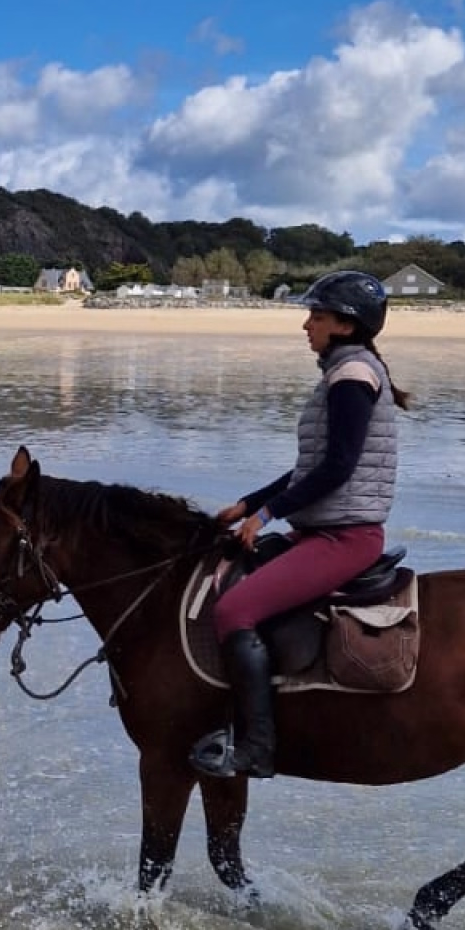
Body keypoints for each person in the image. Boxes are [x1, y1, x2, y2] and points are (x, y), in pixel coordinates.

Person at [189, 269, 410, 781]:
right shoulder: (346, 370)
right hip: (323, 529)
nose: (305, 325)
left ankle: (256, 750)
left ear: (345, 325)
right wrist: (249, 504)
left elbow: (338, 468)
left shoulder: (352, 376)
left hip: (344, 537)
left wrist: (270, 514)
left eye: (316, 315)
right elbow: (311, 469)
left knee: (235, 610)